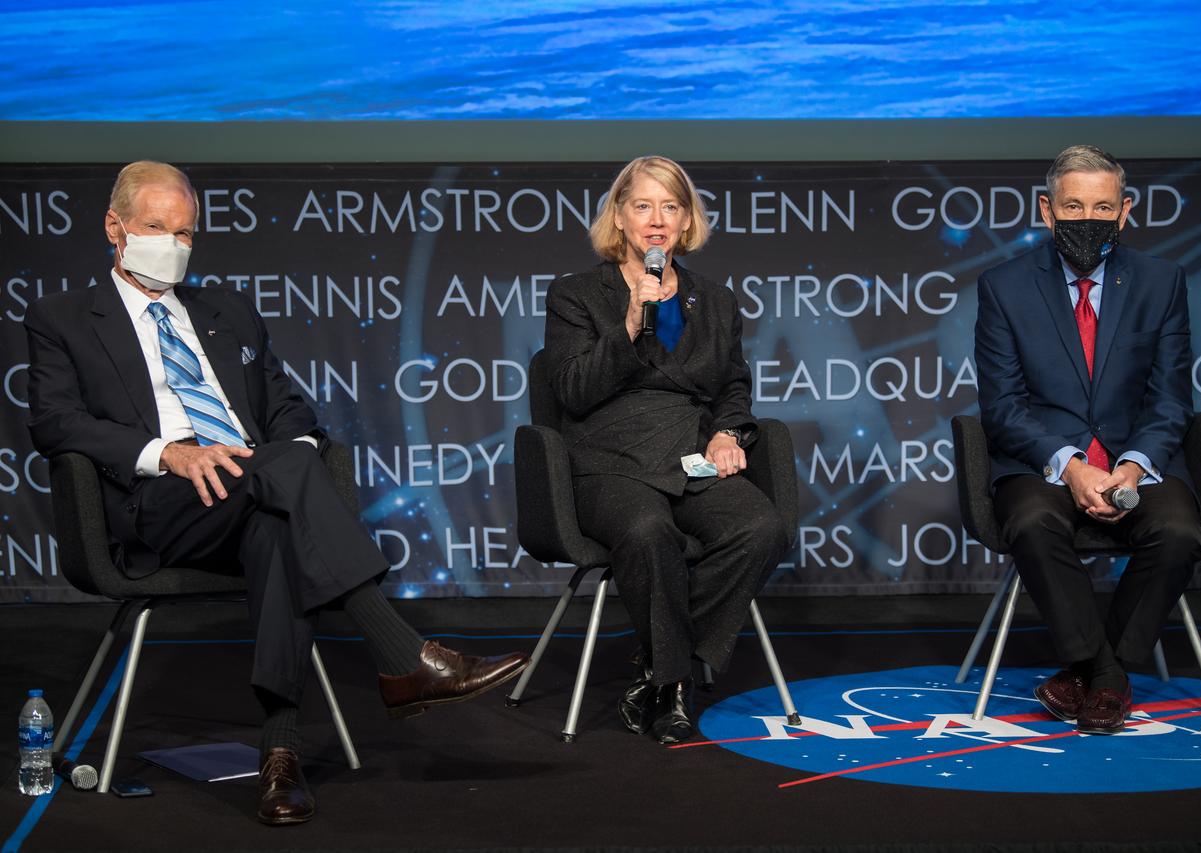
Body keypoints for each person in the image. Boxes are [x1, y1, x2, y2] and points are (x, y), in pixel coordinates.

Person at [23, 161, 529, 824]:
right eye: (156, 228)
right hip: (160, 500)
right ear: (114, 228)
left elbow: (288, 408)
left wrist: (287, 462)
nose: (173, 245)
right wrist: (168, 452)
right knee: (284, 479)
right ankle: (405, 656)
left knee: (277, 522)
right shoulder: (62, 317)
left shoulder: (226, 311)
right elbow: (55, 421)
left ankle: (280, 758)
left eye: (186, 233)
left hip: (254, 490)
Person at [542, 156, 788, 745]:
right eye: (643, 206)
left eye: (671, 207)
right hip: (609, 461)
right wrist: (628, 326)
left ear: (686, 222)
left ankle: (656, 667)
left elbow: (733, 386)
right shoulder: (577, 294)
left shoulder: (716, 300)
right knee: (648, 531)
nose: (657, 221)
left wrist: (728, 433)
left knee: (760, 528)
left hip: (688, 455)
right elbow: (571, 391)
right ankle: (676, 686)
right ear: (619, 218)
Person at [974, 145, 1200, 735]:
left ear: (1125, 211)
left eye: (1103, 207)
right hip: (1043, 463)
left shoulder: (1161, 282)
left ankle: (1093, 675)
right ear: (1047, 210)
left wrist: (1133, 467)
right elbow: (1002, 406)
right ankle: (1107, 675)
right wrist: (1072, 466)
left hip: (1135, 459)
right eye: (1073, 206)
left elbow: (1171, 398)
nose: (1088, 219)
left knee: (1178, 531)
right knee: (1031, 522)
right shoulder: (1004, 287)